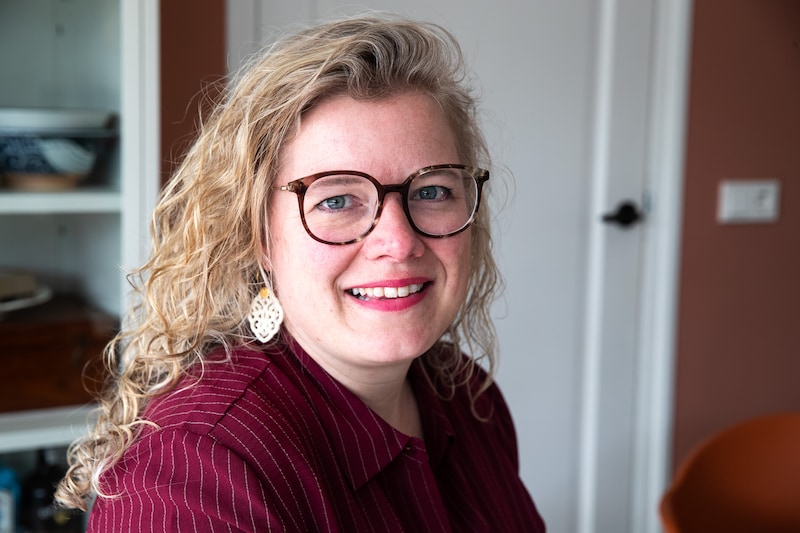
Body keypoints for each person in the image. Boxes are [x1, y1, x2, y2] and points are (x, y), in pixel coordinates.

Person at [56, 14, 546, 532]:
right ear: (258, 235)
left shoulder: (468, 397)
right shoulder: (195, 472)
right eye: (337, 200)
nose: (399, 242)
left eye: (431, 191)